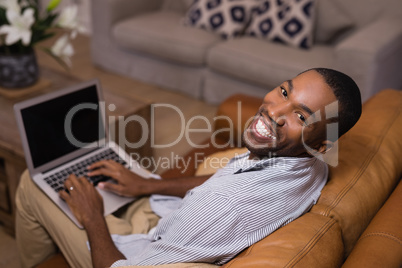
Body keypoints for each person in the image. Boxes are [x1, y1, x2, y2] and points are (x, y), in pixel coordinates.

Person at [15, 68, 362, 268]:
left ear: (322, 143)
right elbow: (227, 176)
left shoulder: (224, 205)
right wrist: (145, 185)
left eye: (301, 116)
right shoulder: (310, 162)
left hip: (140, 250)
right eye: (284, 91)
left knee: (32, 185)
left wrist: (91, 217)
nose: (274, 110)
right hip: (169, 215)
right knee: (108, 177)